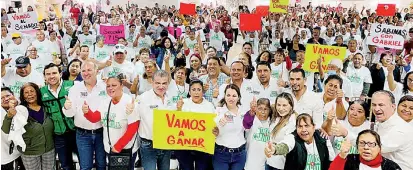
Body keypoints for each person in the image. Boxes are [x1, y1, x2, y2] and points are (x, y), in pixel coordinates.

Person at [83, 75, 140, 170]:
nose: (110, 88)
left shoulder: (129, 102)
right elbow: (94, 118)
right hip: (110, 149)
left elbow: (133, 129)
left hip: (126, 149)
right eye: (108, 86)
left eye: (114, 85)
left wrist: (118, 146)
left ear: (121, 86)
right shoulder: (105, 102)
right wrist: (87, 112)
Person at [62, 61, 107, 170]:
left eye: (89, 70)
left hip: (102, 132)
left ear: (97, 71)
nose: (86, 73)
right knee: (86, 166)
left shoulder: (105, 86)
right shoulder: (75, 88)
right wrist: (67, 107)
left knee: (102, 165)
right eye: (83, 71)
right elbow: (70, 114)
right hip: (83, 134)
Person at [2, 83, 55, 170]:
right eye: (26, 92)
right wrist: (9, 116)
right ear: (23, 96)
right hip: (30, 153)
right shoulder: (19, 110)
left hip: (49, 150)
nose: (30, 94)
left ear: (37, 92)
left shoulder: (46, 107)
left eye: (32, 91)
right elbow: (6, 129)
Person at [264, 113, 336, 170]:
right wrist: (274, 149)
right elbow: (285, 145)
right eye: (300, 126)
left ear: (314, 127)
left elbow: (332, 161)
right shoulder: (293, 138)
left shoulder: (323, 137)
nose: (303, 129)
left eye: (306, 126)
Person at [40, 63, 77, 170]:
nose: (51, 76)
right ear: (44, 77)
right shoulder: (41, 92)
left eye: (54, 73)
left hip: (77, 132)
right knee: (65, 165)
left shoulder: (72, 85)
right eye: (48, 74)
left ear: (60, 74)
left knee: (84, 163)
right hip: (58, 135)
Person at [136, 70, 175, 170]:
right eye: (158, 83)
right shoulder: (142, 98)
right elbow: (134, 118)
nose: (161, 86)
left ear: (168, 83)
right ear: (152, 83)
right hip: (149, 145)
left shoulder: (171, 97)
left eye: (164, 83)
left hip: (166, 144)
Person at [174, 80, 215, 170]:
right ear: (189, 92)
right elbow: (175, 124)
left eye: (199, 89)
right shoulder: (183, 103)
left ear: (203, 92)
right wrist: (179, 109)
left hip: (202, 146)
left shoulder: (209, 106)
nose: (196, 92)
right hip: (185, 146)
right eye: (193, 89)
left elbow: (213, 125)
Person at [371, 90, 413, 170]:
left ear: (393, 106)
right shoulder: (380, 122)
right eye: (374, 105)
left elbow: (373, 148)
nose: (376, 109)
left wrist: (345, 133)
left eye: (381, 105)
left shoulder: (401, 129)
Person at [213, 84, 247, 170]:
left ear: (238, 97)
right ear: (224, 96)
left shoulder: (243, 111)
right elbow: (213, 126)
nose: (231, 98)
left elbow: (248, 128)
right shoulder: (218, 111)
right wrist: (218, 123)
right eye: (228, 95)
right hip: (221, 153)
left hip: (240, 154)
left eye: (234, 95)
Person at [260, 93, 298, 170]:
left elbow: (288, 143)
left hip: (281, 165)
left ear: (291, 106)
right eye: (279, 105)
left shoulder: (293, 122)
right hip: (269, 161)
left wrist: (275, 149)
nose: (281, 108)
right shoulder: (276, 117)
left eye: (284, 105)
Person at [329, 130, 401, 170]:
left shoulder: (391, 167)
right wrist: (342, 156)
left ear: (379, 148)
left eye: (371, 144)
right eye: (362, 143)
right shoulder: (350, 160)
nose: (366, 147)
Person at [243, 98, 272, 170]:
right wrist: (251, 111)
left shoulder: (271, 122)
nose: (263, 111)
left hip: (266, 162)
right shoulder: (252, 119)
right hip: (251, 163)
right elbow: (246, 123)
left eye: (266, 109)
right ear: (256, 109)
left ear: (269, 110)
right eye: (260, 108)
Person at [1, 87, 24, 170]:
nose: (6, 99)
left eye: (7, 96)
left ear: (13, 95)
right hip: (4, 154)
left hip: (20, 151)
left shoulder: (20, 108)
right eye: (2, 98)